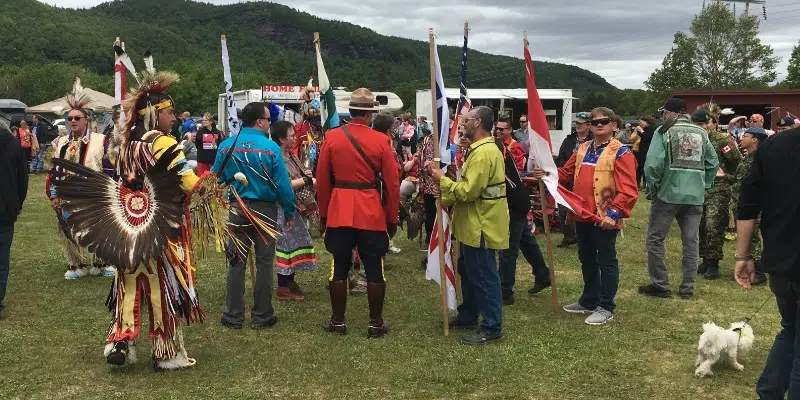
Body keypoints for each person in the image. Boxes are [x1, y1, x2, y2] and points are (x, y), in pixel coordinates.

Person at [50, 66, 222, 370]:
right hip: (161, 226)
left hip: (128, 225)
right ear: (154, 114)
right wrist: (211, 186)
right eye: (168, 112)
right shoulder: (164, 143)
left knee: (128, 280)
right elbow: (188, 185)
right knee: (163, 284)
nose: (173, 118)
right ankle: (166, 352)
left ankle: (121, 340)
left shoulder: (127, 144)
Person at [537, 107, 638, 325]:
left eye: (604, 121)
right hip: (582, 213)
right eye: (594, 122)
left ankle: (606, 305)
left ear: (614, 125)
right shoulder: (582, 148)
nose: (599, 125)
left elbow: (629, 189)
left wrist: (614, 213)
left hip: (604, 216)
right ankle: (589, 300)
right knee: (587, 257)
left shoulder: (622, 152)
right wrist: (546, 174)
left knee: (606, 259)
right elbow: (565, 173)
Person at [316, 88, 400, 338]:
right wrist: (391, 218)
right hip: (370, 210)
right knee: (375, 267)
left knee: (339, 267)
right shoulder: (382, 141)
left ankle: (338, 322)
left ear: (351, 111)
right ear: (370, 115)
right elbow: (393, 185)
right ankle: (375, 324)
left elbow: (322, 180)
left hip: (340, 209)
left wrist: (324, 214)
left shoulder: (331, 137)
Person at [430, 106, 508, 345]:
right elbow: (467, 188)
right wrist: (445, 192)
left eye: (465, 120)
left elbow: (467, 192)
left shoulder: (483, 153)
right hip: (473, 224)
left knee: (484, 275)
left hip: (481, 225)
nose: (461, 123)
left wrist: (442, 181)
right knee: (469, 270)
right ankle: (469, 314)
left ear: (477, 123)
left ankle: (492, 326)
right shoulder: (479, 151)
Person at [214, 102, 296, 329]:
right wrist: (289, 212)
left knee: (236, 262)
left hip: (238, 209)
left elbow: (215, 180)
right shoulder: (271, 148)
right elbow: (283, 186)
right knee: (264, 262)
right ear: (259, 121)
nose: (270, 123)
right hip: (265, 211)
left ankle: (233, 315)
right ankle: (261, 316)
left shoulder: (226, 146)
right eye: (268, 119)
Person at [734, 125, 800, 398]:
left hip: (780, 260)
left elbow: (748, 202)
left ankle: (769, 393)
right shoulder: (774, 145)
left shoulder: (775, 145)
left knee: (790, 328)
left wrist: (743, 254)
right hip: (784, 260)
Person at [638, 98, 718, 300]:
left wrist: (653, 187)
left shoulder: (663, 131)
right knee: (691, 242)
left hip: (667, 194)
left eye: (664, 112)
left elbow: (652, 165)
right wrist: (705, 185)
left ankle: (661, 284)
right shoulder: (701, 133)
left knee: (656, 239)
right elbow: (712, 163)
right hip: (694, 196)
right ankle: (687, 288)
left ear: (669, 113)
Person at [47, 78, 115, 279]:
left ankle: (102, 262)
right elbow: (54, 170)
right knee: (69, 228)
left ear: (87, 120)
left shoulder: (100, 140)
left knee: (98, 228)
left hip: (94, 194)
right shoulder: (60, 142)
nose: (73, 121)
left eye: (77, 118)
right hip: (68, 194)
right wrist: (53, 194)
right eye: (70, 118)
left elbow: (110, 169)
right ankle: (76, 264)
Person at [493, 116, 549, 305]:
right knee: (526, 240)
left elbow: (514, 173)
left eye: (503, 129)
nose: (499, 132)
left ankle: (505, 291)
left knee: (508, 248)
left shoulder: (513, 147)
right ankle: (543, 275)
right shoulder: (496, 146)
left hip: (515, 199)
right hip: (511, 200)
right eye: (497, 129)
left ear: (510, 130)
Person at [269, 120, 318, 301]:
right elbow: (284, 185)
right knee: (285, 245)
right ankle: (283, 288)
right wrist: (306, 180)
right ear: (282, 139)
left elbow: (298, 177)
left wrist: (306, 175)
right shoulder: (278, 158)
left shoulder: (290, 155)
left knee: (294, 243)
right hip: (282, 208)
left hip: (294, 206)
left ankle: (289, 282)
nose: (295, 138)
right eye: (291, 135)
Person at [692, 106, 741, 280]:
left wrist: (727, 177)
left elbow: (737, 164)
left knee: (714, 225)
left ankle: (714, 262)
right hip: (699, 188)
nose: (702, 127)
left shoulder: (722, 141)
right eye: (697, 123)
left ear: (712, 124)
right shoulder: (691, 140)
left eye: (705, 123)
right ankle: (705, 258)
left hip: (719, 189)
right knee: (700, 225)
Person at [734, 126, 768, 286]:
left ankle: (759, 271)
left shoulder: (759, 160)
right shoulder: (748, 158)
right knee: (750, 237)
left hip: (752, 208)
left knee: (753, 238)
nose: (741, 138)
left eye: (745, 135)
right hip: (741, 205)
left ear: (755, 139)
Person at [0, 119, 28, 315]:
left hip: (8, 208)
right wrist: (17, 203)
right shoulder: (14, 145)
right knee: (2, 261)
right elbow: (23, 179)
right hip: (6, 209)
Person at [555, 111, 593, 248]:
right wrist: (563, 170)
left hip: (584, 181)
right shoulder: (569, 140)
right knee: (563, 210)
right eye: (576, 123)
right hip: (567, 180)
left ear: (588, 125)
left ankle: (583, 238)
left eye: (581, 124)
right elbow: (560, 157)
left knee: (582, 210)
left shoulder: (593, 141)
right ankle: (569, 237)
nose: (578, 126)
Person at [632, 116, 657, 188]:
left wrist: (641, 131)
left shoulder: (652, 128)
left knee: (645, 167)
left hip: (648, 150)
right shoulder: (644, 129)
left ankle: (645, 184)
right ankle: (637, 183)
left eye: (641, 122)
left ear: (646, 121)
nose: (640, 124)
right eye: (639, 123)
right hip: (641, 150)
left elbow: (647, 137)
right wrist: (637, 131)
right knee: (639, 167)